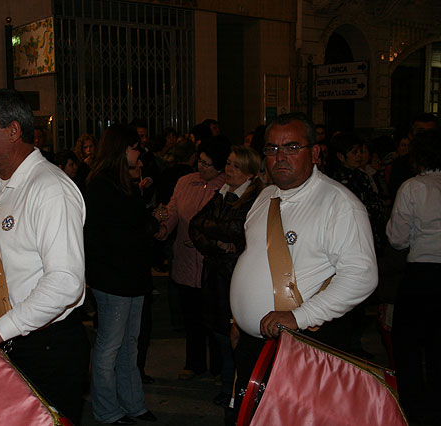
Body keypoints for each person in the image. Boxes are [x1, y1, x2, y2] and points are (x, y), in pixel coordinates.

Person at [0, 89, 90, 425]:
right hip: (15, 343)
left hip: (46, 348)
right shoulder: (9, 188)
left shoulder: (50, 188)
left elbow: (65, 282)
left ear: (13, 131)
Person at [229, 113, 378, 423]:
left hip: (303, 347)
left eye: (292, 147)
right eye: (271, 149)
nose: (280, 157)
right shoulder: (265, 197)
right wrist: (239, 319)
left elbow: (361, 275)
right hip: (254, 345)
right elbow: (253, 259)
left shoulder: (339, 204)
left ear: (315, 153)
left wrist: (299, 316)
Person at [85, 123, 159, 425]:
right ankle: (106, 410)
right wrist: (148, 228)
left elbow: (137, 223)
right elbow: (115, 234)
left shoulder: (124, 181)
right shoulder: (101, 185)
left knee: (130, 345)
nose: (138, 152)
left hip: (133, 277)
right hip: (113, 278)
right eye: (134, 147)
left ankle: (133, 404)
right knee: (109, 347)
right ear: (120, 149)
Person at [188, 145, 264, 410]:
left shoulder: (256, 197)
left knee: (236, 334)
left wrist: (220, 236)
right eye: (228, 163)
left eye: (235, 166)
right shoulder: (223, 193)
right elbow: (194, 225)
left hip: (235, 276)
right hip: (216, 274)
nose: (228, 170)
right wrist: (219, 244)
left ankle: (237, 389)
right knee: (220, 333)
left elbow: (237, 229)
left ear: (249, 172)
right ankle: (228, 383)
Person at [155, 136, 229, 381]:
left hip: (213, 264)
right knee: (192, 318)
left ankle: (220, 368)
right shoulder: (185, 182)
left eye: (208, 164)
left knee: (217, 321)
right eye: (200, 161)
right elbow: (173, 211)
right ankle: (194, 363)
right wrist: (163, 226)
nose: (201, 167)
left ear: (220, 166)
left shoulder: (227, 185)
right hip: (187, 261)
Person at [386, 129, 441, 424]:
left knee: (407, 345)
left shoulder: (412, 188)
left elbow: (397, 239)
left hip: (421, 273)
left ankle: (413, 411)